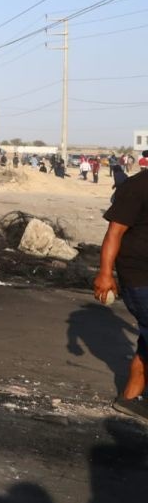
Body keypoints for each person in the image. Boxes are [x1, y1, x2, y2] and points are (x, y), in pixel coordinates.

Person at [93, 154, 148, 421]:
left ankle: (129, 399)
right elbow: (114, 232)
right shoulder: (138, 186)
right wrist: (105, 273)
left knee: (145, 344)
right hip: (139, 277)